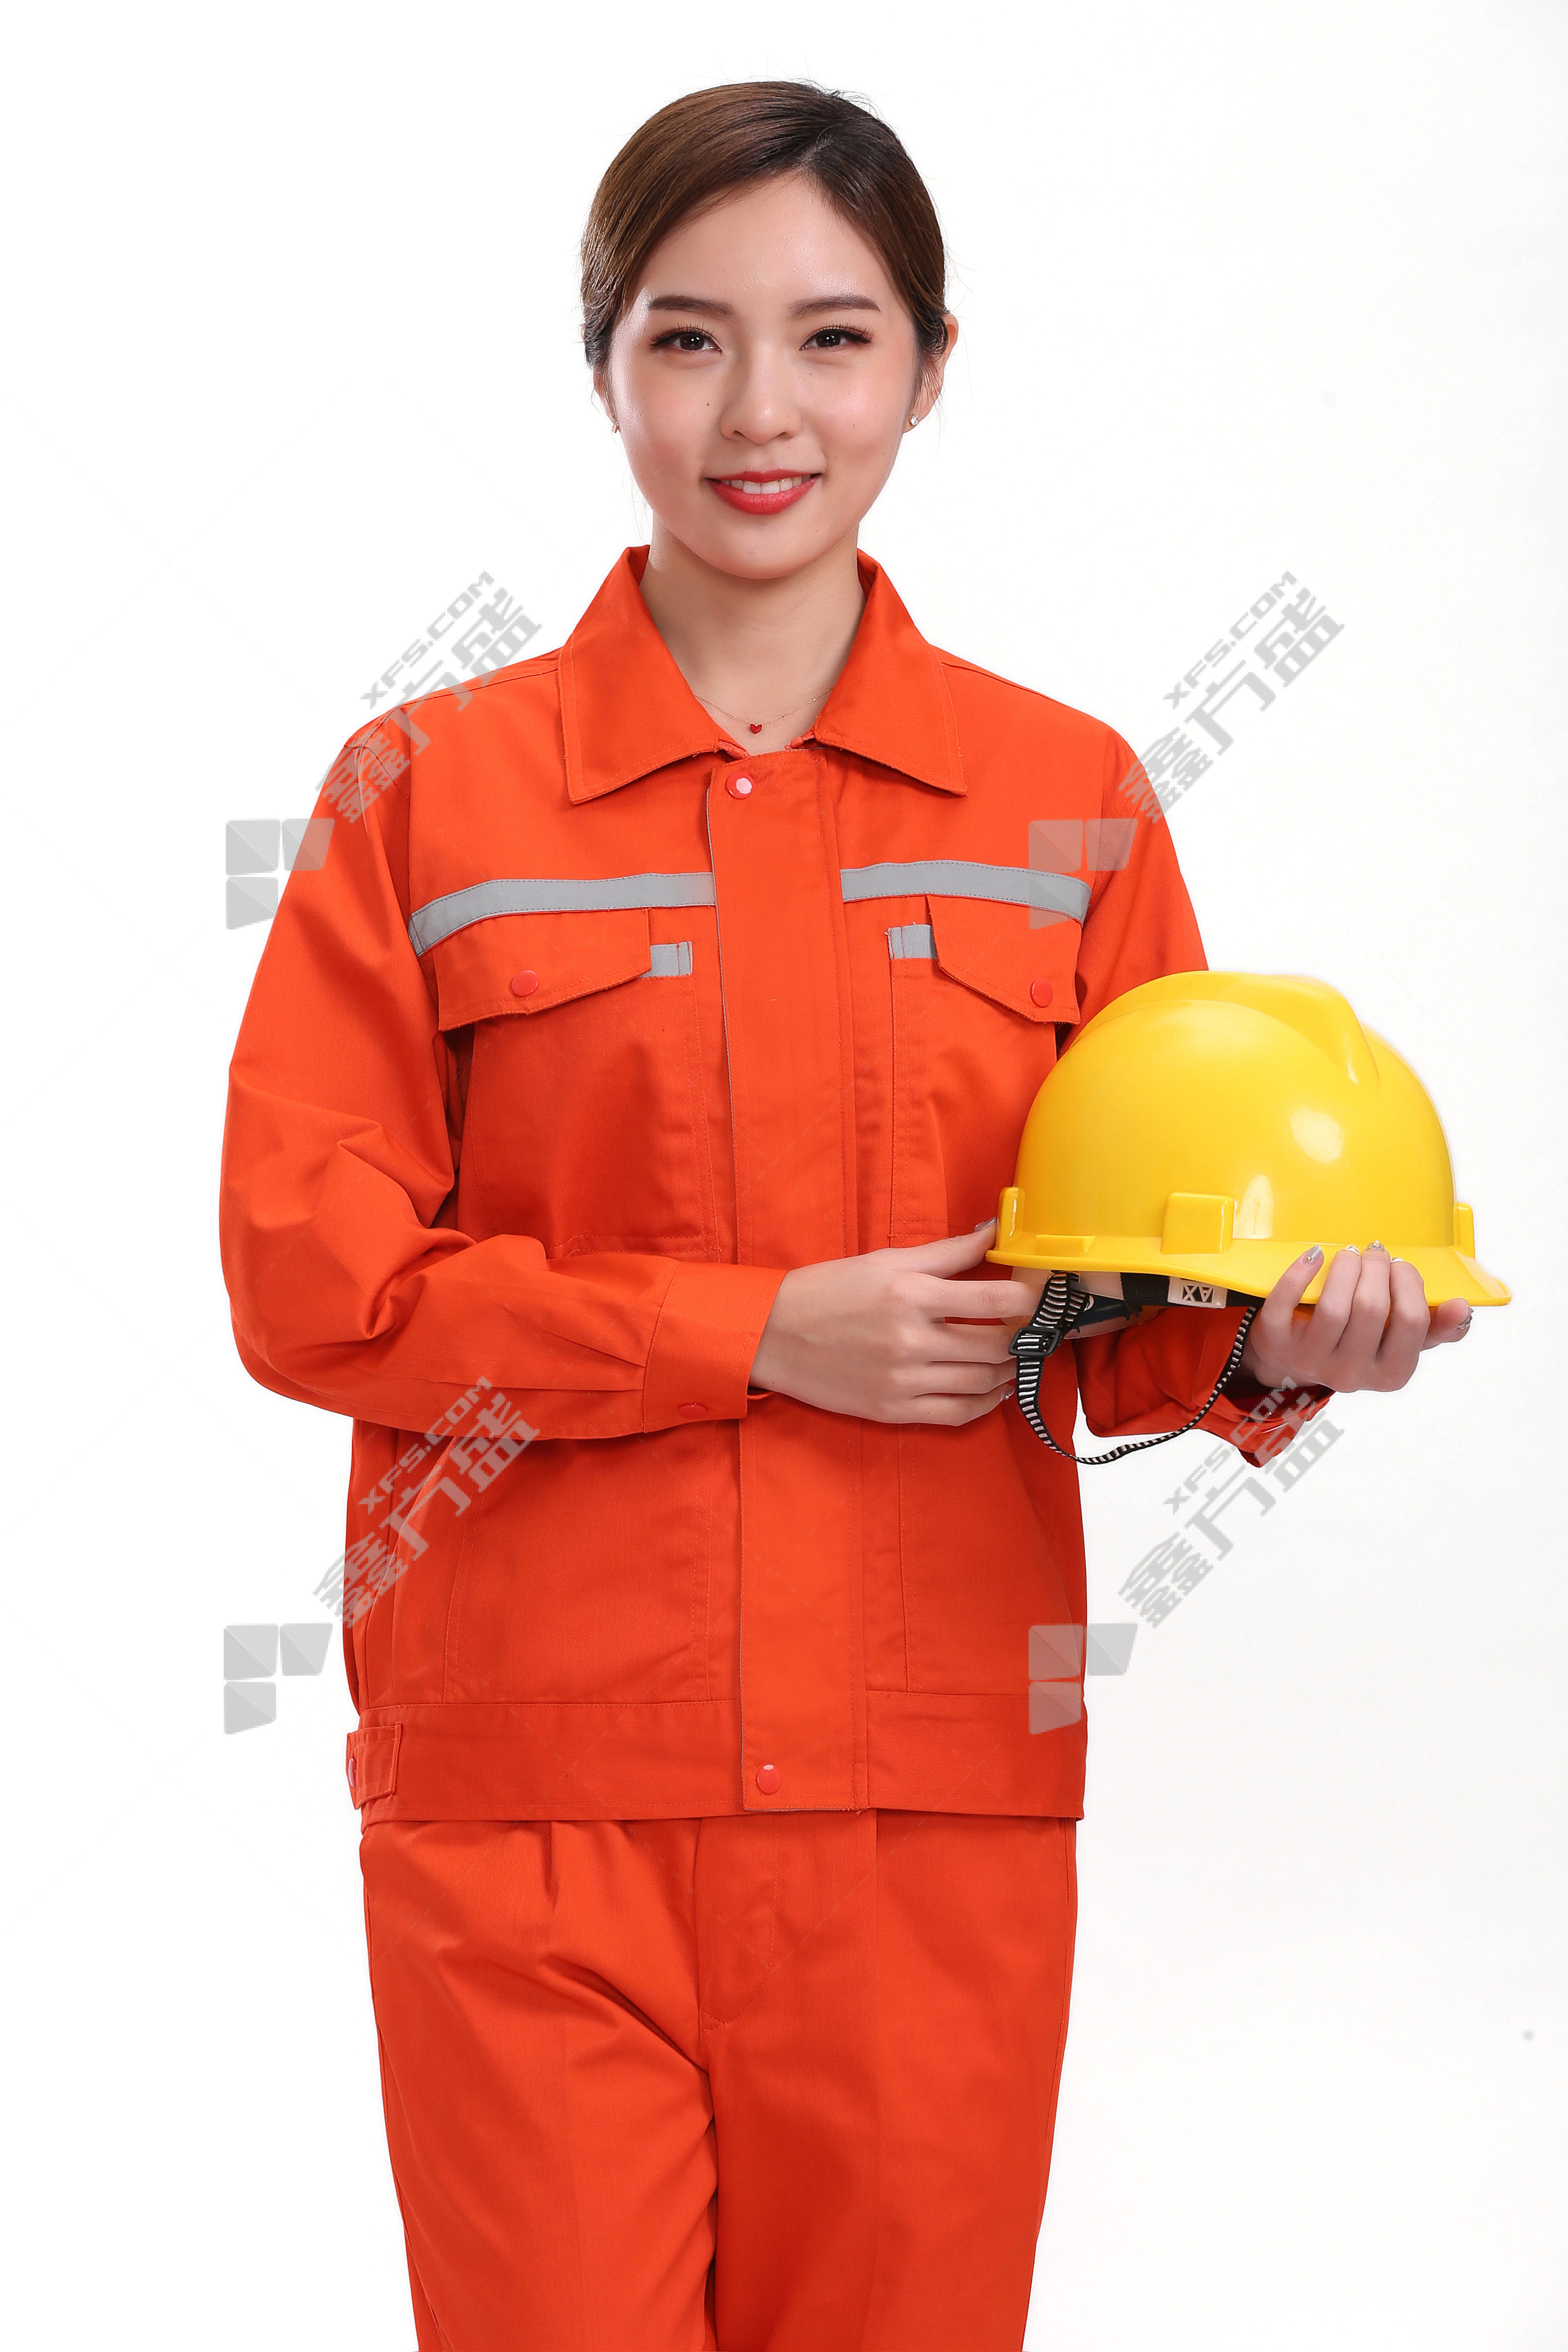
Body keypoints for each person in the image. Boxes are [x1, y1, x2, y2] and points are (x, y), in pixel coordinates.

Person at [220, 78, 1470, 2352]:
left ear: (930, 364)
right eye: (688, 338)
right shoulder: (424, 795)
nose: (761, 412)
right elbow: (316, 1284)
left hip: (925, 1805)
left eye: (834, 336)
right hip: (533, 1811)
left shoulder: (1070, 805)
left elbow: (1120, 1300)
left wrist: (1272, 1345)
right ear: (603, 364)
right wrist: (749, 1331)